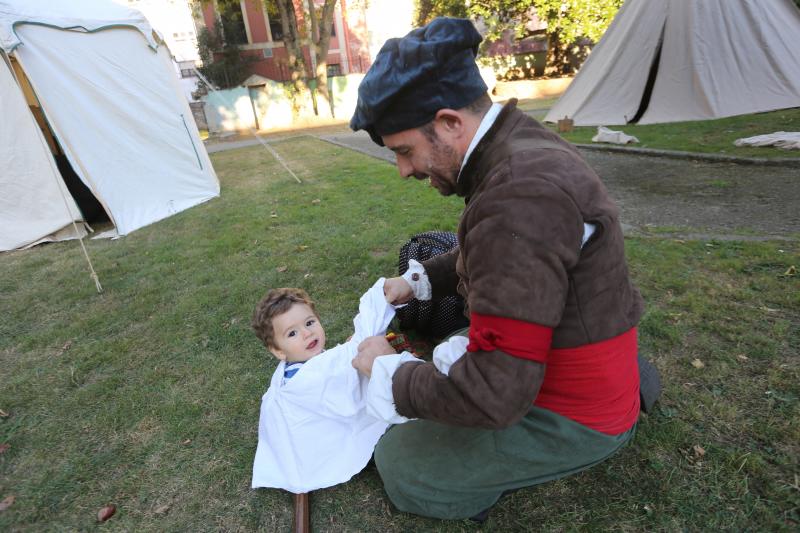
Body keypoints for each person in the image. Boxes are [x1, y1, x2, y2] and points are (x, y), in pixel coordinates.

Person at [349, 17, 646, 520]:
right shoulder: (520, 144)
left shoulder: (517, 197)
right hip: (579, 353)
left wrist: (387, 372)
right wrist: (415, 282)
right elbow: (494, 257)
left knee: (403, 461)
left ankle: (569, 443)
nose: (403, 169)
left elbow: (493, 397)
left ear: (448, 123)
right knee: (451, 341)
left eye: (405, 151)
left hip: (576, 409)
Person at [250, 280, 399, 493]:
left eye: (309, 323)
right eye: (292, 333)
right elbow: (338, 383)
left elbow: (331, 364)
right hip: (318, 444)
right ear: (278, 351)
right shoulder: (308, 377)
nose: (307, 333)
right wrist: (352, 348)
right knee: (377, 419)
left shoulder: (303, 360)